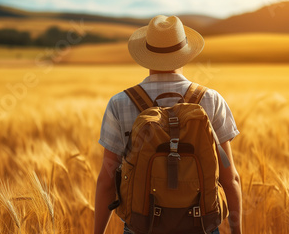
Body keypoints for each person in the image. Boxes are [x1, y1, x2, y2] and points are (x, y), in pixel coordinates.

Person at [94, 15, 242, 234]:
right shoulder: (211, 100)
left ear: (146, 55)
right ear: (185, 53)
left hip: (141, 227)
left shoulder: (120, 103)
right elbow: (230, 178)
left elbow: (107, 179)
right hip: (201, 226)